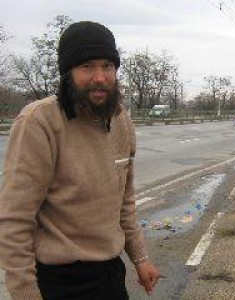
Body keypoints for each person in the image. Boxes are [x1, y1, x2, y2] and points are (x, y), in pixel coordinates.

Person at [0, 21, 160, 299]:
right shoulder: (39, 122)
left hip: (110, 275)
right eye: (87, 66)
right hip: (59, 282)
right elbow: (15, 220)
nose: (100, 77)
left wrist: (140, 258)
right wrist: (25, 293)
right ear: (67, 73)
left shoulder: (121, 120)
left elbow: (125, 202)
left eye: (107, 66)